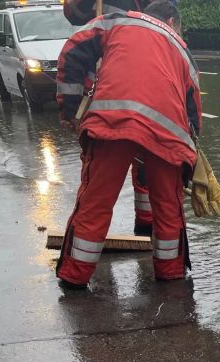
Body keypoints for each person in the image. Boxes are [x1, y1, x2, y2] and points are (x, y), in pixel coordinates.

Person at [55, 1, 220, 287]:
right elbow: (193, 109)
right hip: (167, 135)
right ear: (172, 21)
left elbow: (74, 49)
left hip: (112, 123)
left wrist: (70, 109)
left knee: (95, 202)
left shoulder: (116, 22)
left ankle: (74, 277)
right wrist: (190, 154)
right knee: (170, 208)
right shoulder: (183, 49)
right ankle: (170, 273)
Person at [64, 0, 156, 236]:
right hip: (106, 96)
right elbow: (73, 13)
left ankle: (145, 224)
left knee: (141, 166)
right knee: (101, 180)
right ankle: (93, 238)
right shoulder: (98, 23)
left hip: (131, 91)